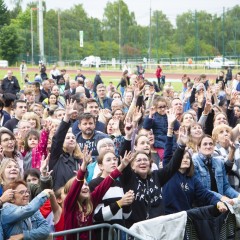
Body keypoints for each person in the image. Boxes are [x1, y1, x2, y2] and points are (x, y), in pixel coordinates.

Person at [120, 126, 187, 228]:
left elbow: (172, 167)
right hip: (137, 230)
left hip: (158, 228)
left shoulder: (156, 176)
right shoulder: (129, 178)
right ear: (132, 165)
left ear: (150, 164)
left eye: (145, 160)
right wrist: (128, 137)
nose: (143, 162)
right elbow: (123, 158)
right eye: (138, 160)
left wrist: (181, 145)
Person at [64, 146, 133, 240]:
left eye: (86, 185)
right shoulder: (70, 204)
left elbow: (105, 184)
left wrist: (121, 167)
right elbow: (76, 186)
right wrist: (83, 166)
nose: (85, 187)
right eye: (82, 185)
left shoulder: (91, 201)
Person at [89, 150, 134, 239]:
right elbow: (97, 216)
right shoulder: (94, 184)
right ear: (100, 166)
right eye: (108, 160)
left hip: (119, 234)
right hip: (102, 234)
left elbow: (126, 215)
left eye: (115, 159)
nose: (113, 162)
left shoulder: (119, 184)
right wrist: (120, 203)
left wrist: (128, 202)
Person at [192, 135, 240, 203]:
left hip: (220, 204)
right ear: (198, 147)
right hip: (202, 205)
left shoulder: (219, 162)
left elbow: (225, 187)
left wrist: (238, 195)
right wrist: (221, 197)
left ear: (214, 147)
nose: (208, 146)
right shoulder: (194, 162)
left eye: (211, 144)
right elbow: (201, 190)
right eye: (205, 144)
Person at [49, 100, 83, 190]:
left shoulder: (79, 161)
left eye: (73, 138)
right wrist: (67, 117)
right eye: (67, 138)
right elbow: (57, 139)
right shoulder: (56, 156)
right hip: (60, 195)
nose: (71, 139)